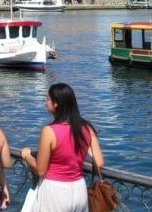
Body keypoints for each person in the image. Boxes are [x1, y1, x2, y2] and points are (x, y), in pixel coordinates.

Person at [20, 83, 104, 212]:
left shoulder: (49, 131)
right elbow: (99, 162)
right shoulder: (87, 128)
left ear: (56, 103)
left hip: (55, 191)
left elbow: (41, 170)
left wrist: (27, 156)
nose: (45, 103)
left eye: (48, 99)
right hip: (79, 190)